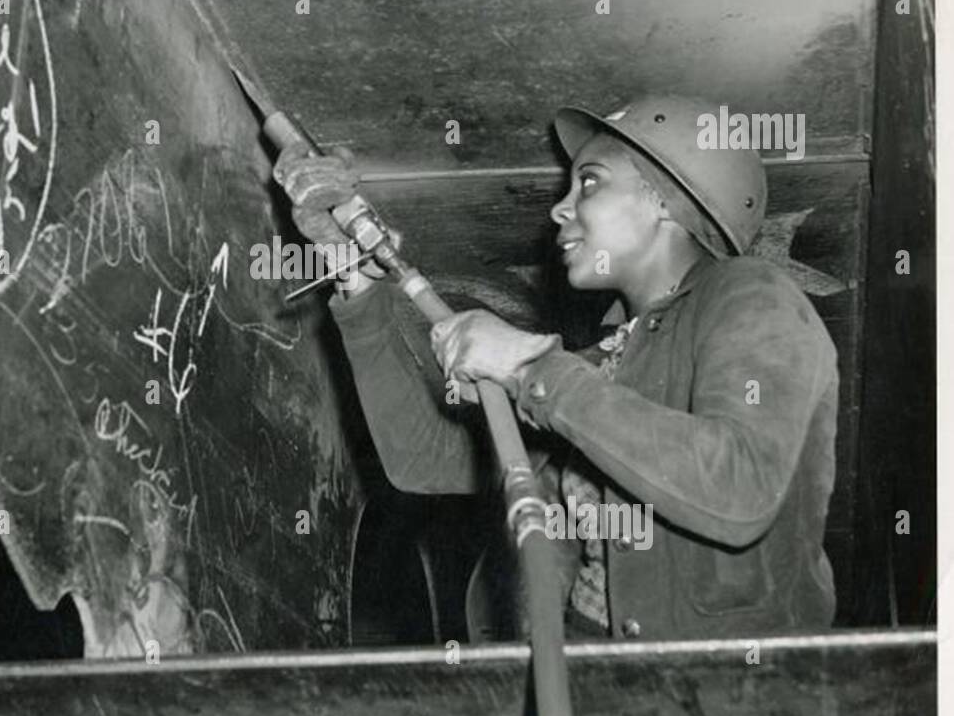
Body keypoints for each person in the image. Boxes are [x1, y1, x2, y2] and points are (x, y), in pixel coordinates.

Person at [273, 95, 839, 641]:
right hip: (591, 695)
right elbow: (424, 458)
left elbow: (738, 485)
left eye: (589, 182)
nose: (559, 208)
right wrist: (361, 287)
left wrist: (530, 369)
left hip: (729, 715)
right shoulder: (607, 363)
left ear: (666, 200)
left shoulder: (755, 297)